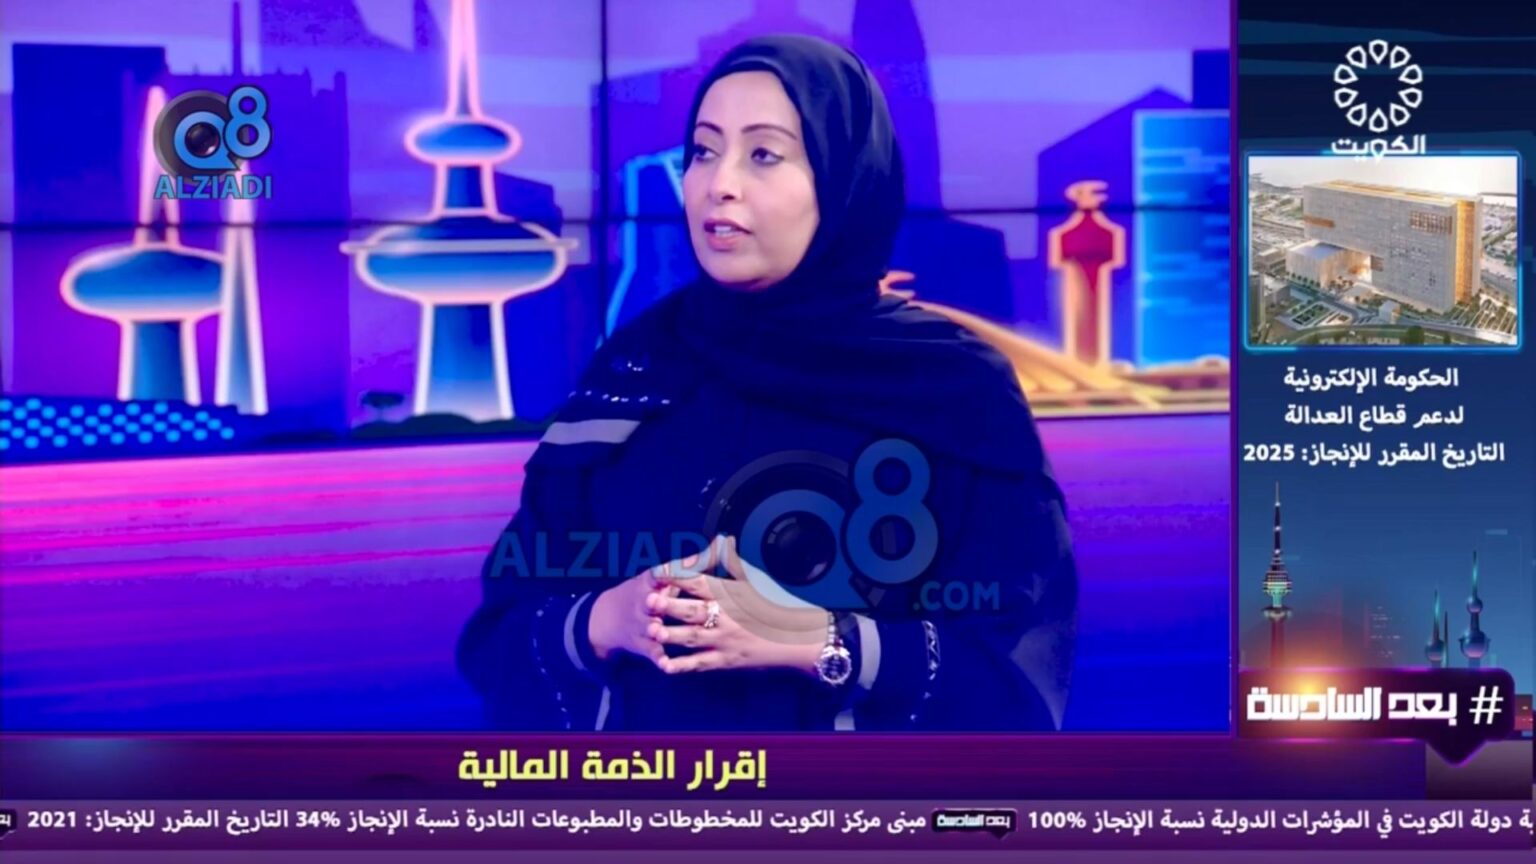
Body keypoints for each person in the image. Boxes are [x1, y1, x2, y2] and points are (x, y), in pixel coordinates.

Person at [456, 34, 1076, 732]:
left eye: (763, 155)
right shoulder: (630, 371)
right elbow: (497, 635)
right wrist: (607, 619)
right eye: (703, 151)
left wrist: (817, 642)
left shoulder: (957, 389)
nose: (719, 183)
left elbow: (1017, 682)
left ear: (842, 182)